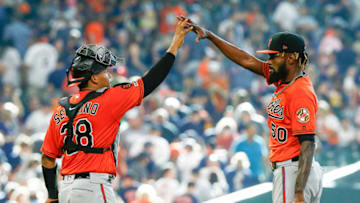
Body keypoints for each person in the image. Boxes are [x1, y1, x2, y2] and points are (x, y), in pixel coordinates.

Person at [40, 19, 193, 203]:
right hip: (94, 188)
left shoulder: (62, 108)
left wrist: (52, 195)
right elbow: (150, 81)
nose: (109, 74)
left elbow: (48, 158)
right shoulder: (109, 99)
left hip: (66, 190)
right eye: (104, 71)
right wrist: (175, 45)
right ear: (94, 79)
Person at [181, 16, 323, 203]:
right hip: (294, 170)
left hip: (294, 172)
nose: (269, 60)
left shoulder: (300, 92)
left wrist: (298, 191)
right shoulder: (284, 79)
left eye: (274, 55)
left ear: (291, 58)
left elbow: (308, 143)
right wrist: (211, 36)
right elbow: (247, 60)